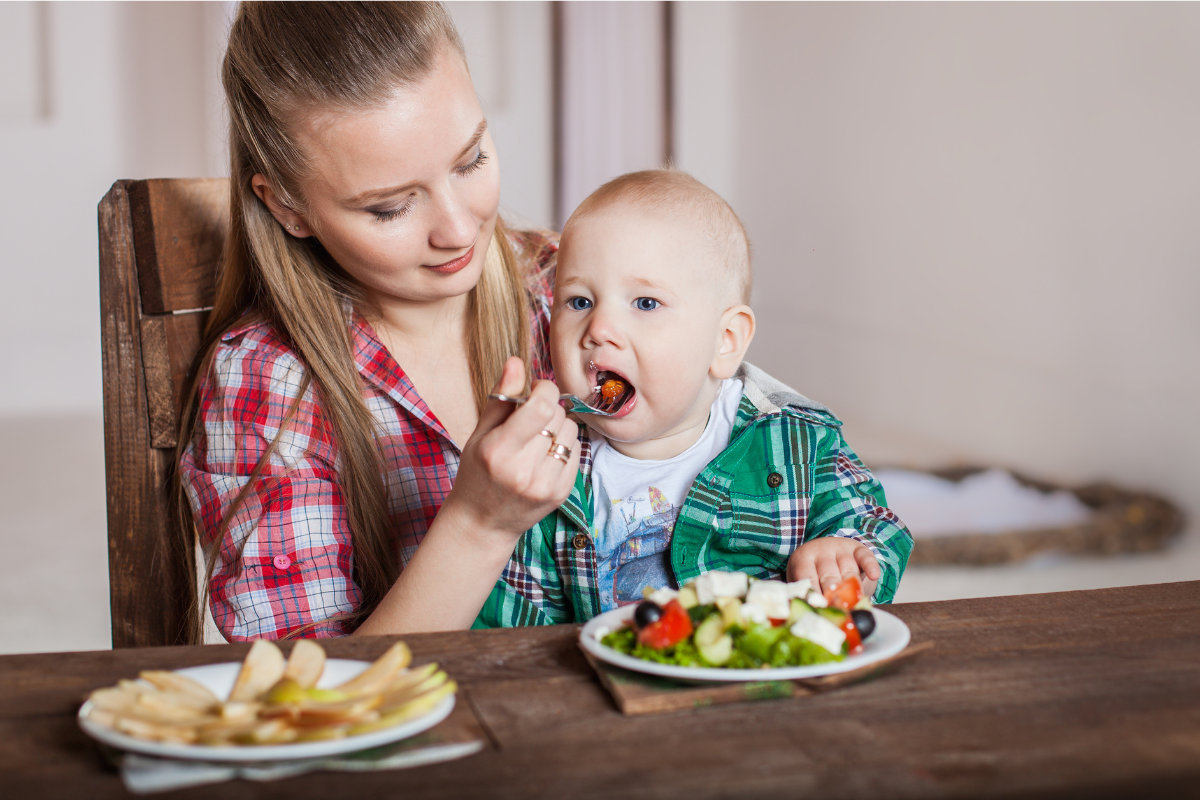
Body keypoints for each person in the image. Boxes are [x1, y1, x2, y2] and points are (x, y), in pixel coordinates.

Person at [176, 1, 580, 642]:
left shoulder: (566, 286)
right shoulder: (269, 381)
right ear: (289, 207)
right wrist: (480, 523)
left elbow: (746, 439)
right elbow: (310, 699)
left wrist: (803, 535)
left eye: (471, 160)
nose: (457, 229)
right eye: (390, 208)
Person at [476, 170, 913, 627]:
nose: (599, 329)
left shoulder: (794, 440)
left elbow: (876, 524)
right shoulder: (548, 476)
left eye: (645, 303)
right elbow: (511, 627)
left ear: (724, 341)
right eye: (580, 301)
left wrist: (842, 555)